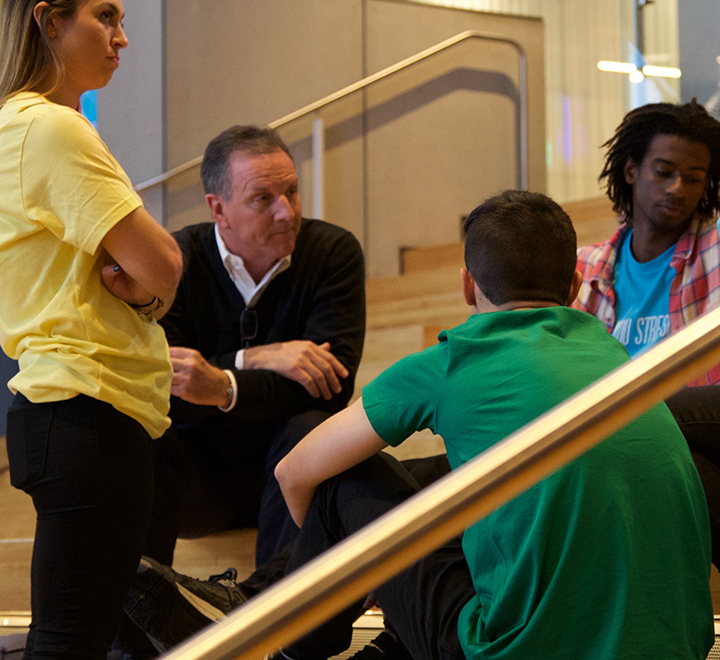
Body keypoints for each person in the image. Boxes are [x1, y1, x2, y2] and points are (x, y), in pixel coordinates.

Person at [124, 191, 713, 660]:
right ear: (574, 289)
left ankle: (280, 643)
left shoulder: (456, 360)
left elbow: (294, 471)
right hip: (675, 645)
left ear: (466, 284)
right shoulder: (622, 364)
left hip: (514, 651)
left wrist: (359, 560)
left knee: (345, 478)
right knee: (465, 493)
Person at [0, 0, 183, 660]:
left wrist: (146, 282)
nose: (122, 38)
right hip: (86, 410)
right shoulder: (51, 129)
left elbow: (143, 273)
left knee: (77, 640)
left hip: (66, 414)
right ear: (48, 21)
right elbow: (163, 263)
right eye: (106, 17)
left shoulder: (17, 128)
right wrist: (153, 282)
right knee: (71, 647)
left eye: (123, 20)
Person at [143, 125, 366, 571]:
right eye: (263, 199)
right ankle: (138, 626)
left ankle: (276, 618)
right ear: (218, 209)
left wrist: (220, 385)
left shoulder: (332, 252)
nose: (287, 212)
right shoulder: (176, 260)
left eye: (292, 192)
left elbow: (330, 388)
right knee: (145, 439)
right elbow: (165, 388)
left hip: (290, 472)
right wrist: (255, 359)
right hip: (200, 480)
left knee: (311, 426)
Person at [572, 101, 720, 566]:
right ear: (632, 170)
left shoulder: (714, 248)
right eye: (664, 171)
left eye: (694, 177)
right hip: (654, 454)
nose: (678, 188)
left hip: (695, 416)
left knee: (621, 416)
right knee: (675, 469)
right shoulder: (585, 268)